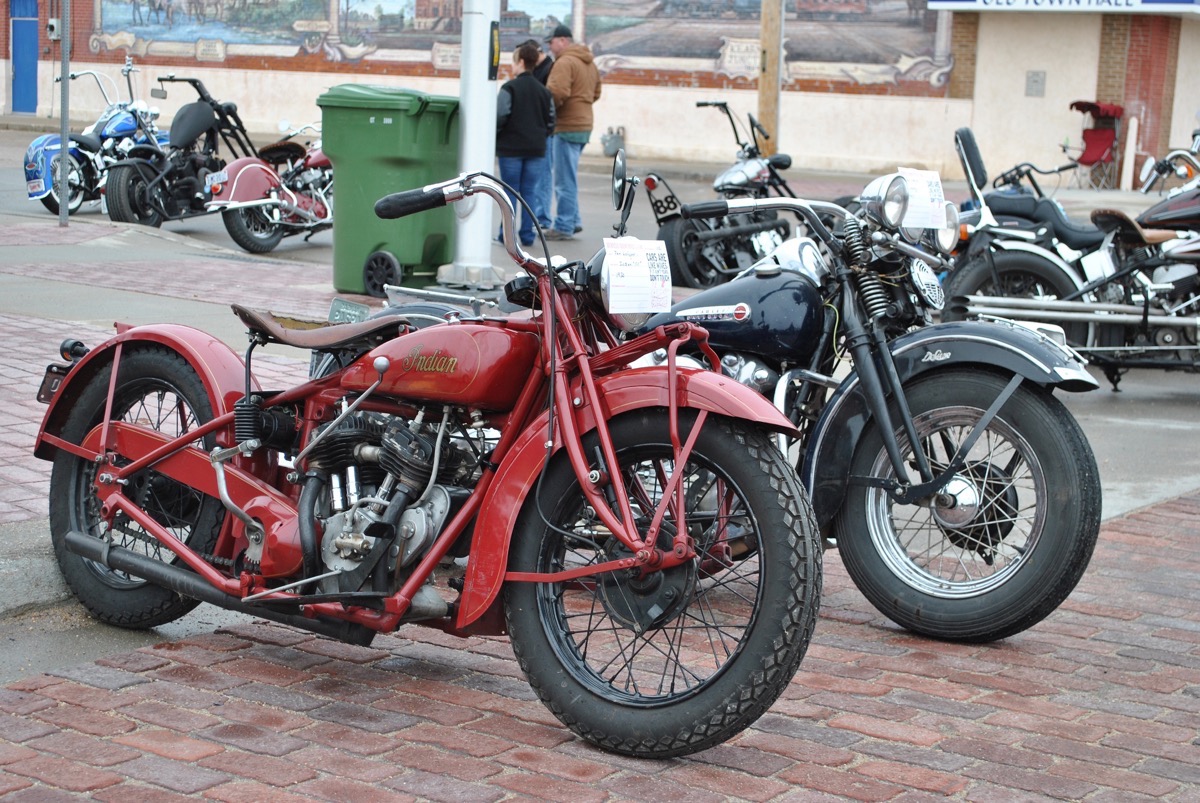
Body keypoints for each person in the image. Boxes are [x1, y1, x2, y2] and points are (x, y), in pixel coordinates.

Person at [543, 23, 602, 240]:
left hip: (567, 125)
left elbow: (557, 93)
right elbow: (596, 92)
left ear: (563, 41)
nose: (550, 47)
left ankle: (564, 225)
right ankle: (574, 220)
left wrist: (548, 113)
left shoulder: (564, 62)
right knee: (569, 176)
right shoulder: (589, 63)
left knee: (563, 180)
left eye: (551, 42)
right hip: (585, 124)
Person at [496, 42, 556, 248]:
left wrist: (498, 136)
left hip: (510, 149)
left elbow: (500, 116)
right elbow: (551, 121)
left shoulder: (509, 88)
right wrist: (540, 136)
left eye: (513, 61)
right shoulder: (544, 92)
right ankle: (528, 236)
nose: (512, 66)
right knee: (529, 192)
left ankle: (507, 236)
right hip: (536, 149)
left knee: (510, 192)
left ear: (521, 62)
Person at [517, 38, 554, 232]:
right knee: (536, 181)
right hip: (540, 133)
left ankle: (543, 219)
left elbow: (551, 104)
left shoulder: (548, 69)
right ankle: (538, 220)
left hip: (541, 133)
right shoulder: (542, 69)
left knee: (543, 177)